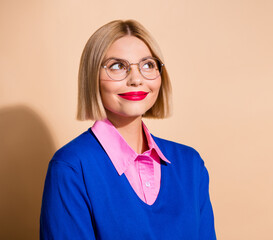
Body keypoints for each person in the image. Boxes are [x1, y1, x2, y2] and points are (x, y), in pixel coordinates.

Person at [40, 19, 216, 240]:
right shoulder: (71, 166)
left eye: (148, 65)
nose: (136, 79)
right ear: (92, 77)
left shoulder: (190, 164)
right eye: (117, 66)